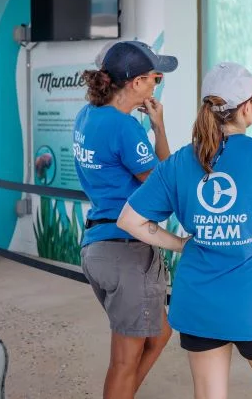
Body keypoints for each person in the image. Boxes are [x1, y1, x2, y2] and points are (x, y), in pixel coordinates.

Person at [116, 62, 252, 399]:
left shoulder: (179, 162)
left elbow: (129, 219)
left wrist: (180, 244)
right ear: (247, 108)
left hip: (199, 299)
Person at [74, 40, 179, 399]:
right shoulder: (124, 128)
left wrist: (155, 126)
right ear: (135, 82)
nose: (157, 85)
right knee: (123, 359)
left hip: (97, 247)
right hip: (126, 252)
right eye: (155, 77)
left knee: (159, 333)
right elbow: (165, 185)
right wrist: (159, 130)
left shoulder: (88, 115)